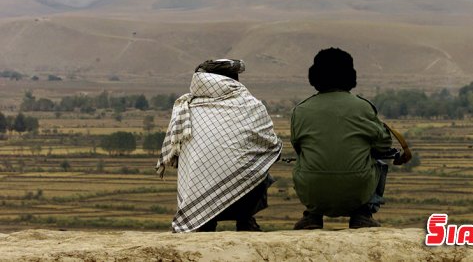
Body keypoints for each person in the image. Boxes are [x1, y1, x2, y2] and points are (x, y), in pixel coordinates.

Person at [156, 59, 282, 233]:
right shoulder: (251, 105)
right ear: (234, 80)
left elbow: (177, 153)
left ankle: (204, 222)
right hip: (242, 199)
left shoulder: (186, 107)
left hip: (197, 195)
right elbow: (270, 145)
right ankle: (245, 220)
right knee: (261, 167)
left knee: (192, 167)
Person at [291, 47, 393, 229]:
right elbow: (384, 144)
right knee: (379, 163)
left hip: (313, 191)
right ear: (350, 76)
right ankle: (363, 214)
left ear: (315, 77)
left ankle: (312, 216)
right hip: (358, 190)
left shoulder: (301, 110)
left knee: (302, 159)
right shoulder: (362, 107)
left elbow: (298, 146)